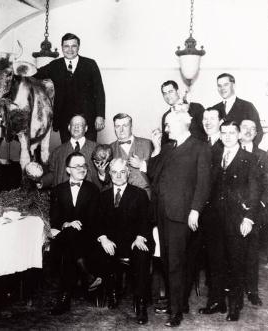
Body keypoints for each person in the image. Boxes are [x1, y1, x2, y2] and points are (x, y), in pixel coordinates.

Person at [148, 110, 211, 327]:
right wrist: (156, 149)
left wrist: (195, 210)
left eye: (168, 125)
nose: (165, 129)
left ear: (183, 123)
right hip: (162, 214)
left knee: (175, 263)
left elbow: (203, 183)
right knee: (167, 261)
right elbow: (152, 174)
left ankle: (176, 312)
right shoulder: (167, 148)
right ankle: (179, 302)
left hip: (181, 215)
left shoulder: (200, 147)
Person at [199, 121, 258, 322]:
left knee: (235, 262)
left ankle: (234, 306)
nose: (227, 136)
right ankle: (216, 302)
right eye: (223, 132)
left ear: (240, 134)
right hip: (213, 220)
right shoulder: (214, 156)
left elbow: (254, 192)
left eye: (232, 132)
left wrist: (249, 218)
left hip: (236, 220)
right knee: (215, 262)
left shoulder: (249, 159)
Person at [90, 158, 152, 324]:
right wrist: (103, 238)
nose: (118, 175)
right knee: (100, 251)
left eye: (122, 172)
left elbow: (146, 219)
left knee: (141, 254)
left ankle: (141, 304)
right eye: (115, 172)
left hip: (134, 241)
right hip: (112, 242)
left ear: (128, 173)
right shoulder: (102, 196)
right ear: (109, 174)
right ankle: (112, 293)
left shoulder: (139, 194)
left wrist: (140, 236)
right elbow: (97, 222)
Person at [49, 152, 101, 315]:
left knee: (69, 245)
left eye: (84, 165)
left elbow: (93, 219)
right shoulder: (58, 190)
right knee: (69, 238)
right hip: (65, 236)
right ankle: (87, 274)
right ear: (68, 170)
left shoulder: (93, 190)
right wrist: (67, 224)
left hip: (86, 236)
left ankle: (64, 298)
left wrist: (75, 225)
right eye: (77, 166)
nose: (82, 169)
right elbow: (55, 219)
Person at [34, 33, 105, 143]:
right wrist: (15, 70)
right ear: (62, 47)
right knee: (68, 153)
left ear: (78, 47)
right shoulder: (55, 65)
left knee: (89, 152)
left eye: (74, 46)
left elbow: (99, 91)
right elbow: (35, 74)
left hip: (88, 120)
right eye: (66, 46)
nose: (70, 49)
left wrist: (100, 115)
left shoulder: (90, 64)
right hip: (65, 121)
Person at [239, 119, 268, 306]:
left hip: (255, 212)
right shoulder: (229, 151)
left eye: (253, 128)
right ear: (238, 131)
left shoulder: (262, 156)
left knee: (251, 253)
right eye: (245, 128)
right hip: (233, 211)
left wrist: (257, 205)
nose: (249, 131)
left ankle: (252, 290)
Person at [38, 115, 100, 189]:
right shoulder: (57, 151)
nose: (76, 127)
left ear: (86, 128)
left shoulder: (97, 149)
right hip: (64, 196)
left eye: (80, 124)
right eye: (73, 124)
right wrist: (42, 182)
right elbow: (53, 173)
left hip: (90, 197)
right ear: (69, 128)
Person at [211, 73, 263, 144]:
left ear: (234, 86)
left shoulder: (247, 106)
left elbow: (258, 132)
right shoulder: (214, 109)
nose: (222, 88)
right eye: (219, 86)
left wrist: (248, 152)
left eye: (226, 85)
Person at [109, 113, 152, 197]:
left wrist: (142, 165)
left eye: (125, 125)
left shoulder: (147, 144)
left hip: (145, 193)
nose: (121, 130)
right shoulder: (109, 148)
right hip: (121, 195)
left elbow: (157, 170)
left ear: (131, 127)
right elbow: (107, 178)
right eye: (117, 126)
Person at [160, 80, 206, 144]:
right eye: (165, 93)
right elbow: (165, 142)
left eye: (170, 92)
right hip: (177, 153)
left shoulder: (196, 108)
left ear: (178, 92)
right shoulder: (166, 116)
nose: (167, 96)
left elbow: (207, 132)